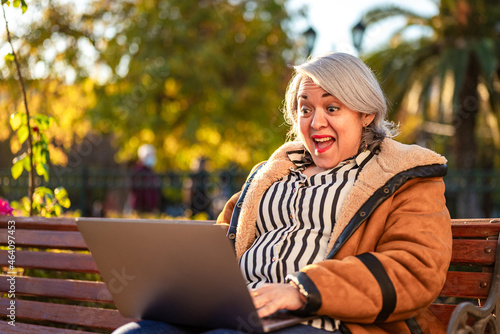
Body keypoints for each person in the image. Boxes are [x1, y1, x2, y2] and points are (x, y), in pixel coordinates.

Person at [113, 52, 452, 333]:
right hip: (232, 316)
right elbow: (221, 242)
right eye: (305, 109)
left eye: (332, 108)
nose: (316, 122)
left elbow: (415, 269)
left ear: (367, 114)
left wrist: (302, 291)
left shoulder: (405, 177)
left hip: (323, 324)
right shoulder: (269, 173)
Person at [129, 144, 161, 213]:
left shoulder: (152, 171)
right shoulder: (138, 171)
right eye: (149, 155)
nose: (152, 157)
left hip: (151, 209)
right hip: (140, 209)